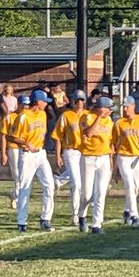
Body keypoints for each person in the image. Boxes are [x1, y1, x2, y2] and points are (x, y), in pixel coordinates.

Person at [10, 89, 56, 232]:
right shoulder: (23, 116)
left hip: (41, 153)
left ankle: (46, 219)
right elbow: (11, 137)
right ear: (37, 102)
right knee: (25, 187)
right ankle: (22, 221)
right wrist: (25, 143)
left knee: (49, 185)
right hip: (27, 154)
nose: (46, 104)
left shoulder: (42, 114)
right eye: (44, 101)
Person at [113, 95, 139, 227]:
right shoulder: (119, 123)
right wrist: (114, 165)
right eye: (123, 106)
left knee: (135, 187)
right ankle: (135, 214)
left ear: (133, 106)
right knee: (129, 184)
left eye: (127, 106)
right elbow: (113, 142)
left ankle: (127, 210)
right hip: (123, 156)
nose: (125, 109)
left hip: (137, 156)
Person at [52, 90, 89, 232]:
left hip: (85, 152)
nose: (79, 102)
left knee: (83, 182)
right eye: (77, 100)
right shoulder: (66, 115)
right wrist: (58, 155)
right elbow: (58, 136)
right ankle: (76, 214)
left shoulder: (88, 116)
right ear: (73, 100)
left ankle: (58, 181)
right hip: (71, 151)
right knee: (76, 183)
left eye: (81, 100)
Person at [79, 96, 115, 233]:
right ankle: (81, 215)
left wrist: (111, 159)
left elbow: (109, 141)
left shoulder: (110, 120)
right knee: (87, 195)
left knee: (101, 191)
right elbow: (89, 133)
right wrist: (99, 118)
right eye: (108, 109)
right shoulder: (86, 117)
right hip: (88, 157)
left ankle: (96, 224)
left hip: (103, 157)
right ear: (102, 109)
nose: (110, 112)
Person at [1, 94, 29, 208]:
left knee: (23, 174)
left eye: (27, 105)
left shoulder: (28, 116)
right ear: (18, 104)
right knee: (17, 174)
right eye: (23, 105)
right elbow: (4, 135)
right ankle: (17, 197)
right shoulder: (10, 117)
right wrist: (3, 153)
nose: (25, 108)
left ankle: (14, 194)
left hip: (24, 148)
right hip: (13, 147)